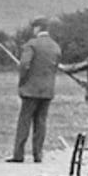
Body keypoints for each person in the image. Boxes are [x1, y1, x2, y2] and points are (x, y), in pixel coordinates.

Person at [9, 17, 61, 163]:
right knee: (41, 122)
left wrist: (22, 82)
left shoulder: (31, 44)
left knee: (24, 121)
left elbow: (24, 65)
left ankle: (18, 155)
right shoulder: (55, 46)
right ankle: (38, 155)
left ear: (37, 28)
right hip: (47, 90)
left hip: (31, 90)